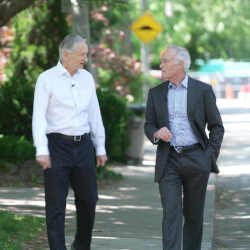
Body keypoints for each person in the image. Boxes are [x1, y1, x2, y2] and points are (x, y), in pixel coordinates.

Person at [144, 45, 224, 250]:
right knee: (171, 214)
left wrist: (209, 157)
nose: (160, 65)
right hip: (168, 159)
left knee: (194, 216)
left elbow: (216, 127)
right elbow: (149, 125)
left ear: (180, 64)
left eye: (164, 61)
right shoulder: (155, 93)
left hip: (197, 158)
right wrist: (156, 133)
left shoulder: (203, 91)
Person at [32, 34, 107, 250]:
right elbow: (39, 117)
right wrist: (41, 149)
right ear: (66, 54)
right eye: (82, 54)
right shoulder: (46, 79)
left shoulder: (86, 79)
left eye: (86, 54)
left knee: (89, 199)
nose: (85, 58)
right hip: (56, 146)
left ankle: (81, 246)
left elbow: (95, 115)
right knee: (55, 204)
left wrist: (100, 146)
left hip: (83, 146)